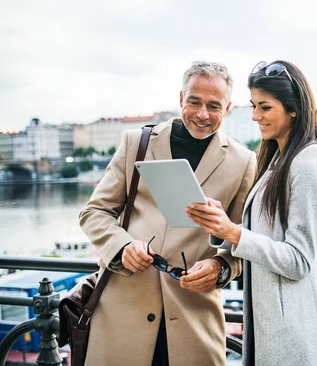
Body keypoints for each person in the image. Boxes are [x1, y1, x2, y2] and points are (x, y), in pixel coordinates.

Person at [79, 61, 256, 366]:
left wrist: (220, 268)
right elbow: (94, 212)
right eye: (194, 102)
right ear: (180, 99)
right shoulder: (136, 142)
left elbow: (244, 242)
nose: (202, 114)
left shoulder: (244, 162)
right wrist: (122, 247)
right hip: (123, 314)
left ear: (227, 109)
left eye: (213, 106)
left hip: (194, 319)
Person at [186, 60, 317, 365]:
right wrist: (222, 227)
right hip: (274, 328)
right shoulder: (278, 159)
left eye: (265, 107)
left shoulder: (310, 162)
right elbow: (265, 237)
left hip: (296, 332)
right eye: (254, 106)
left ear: (293, 109)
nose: (255, 116)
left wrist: (233, 232)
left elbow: (298, 261)